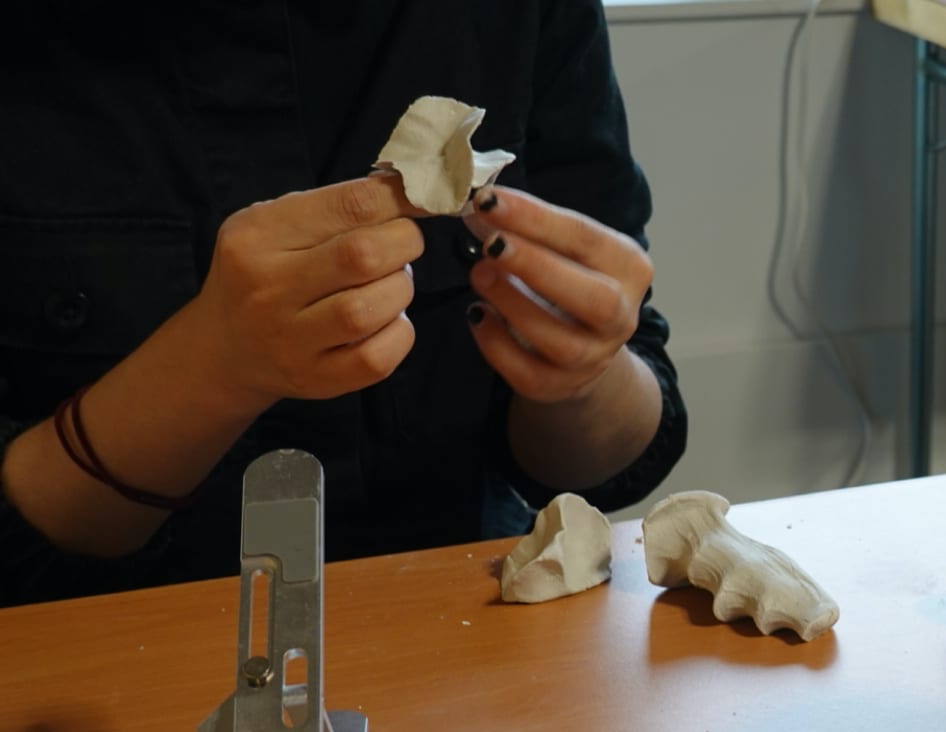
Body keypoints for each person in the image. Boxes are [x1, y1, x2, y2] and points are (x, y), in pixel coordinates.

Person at [0, 1, 688, 607]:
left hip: (470, 653)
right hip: (101, 667)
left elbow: (619, 440)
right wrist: (208, 370)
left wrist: (582, 370)